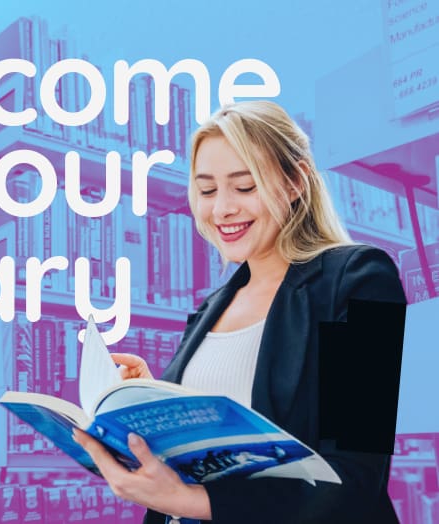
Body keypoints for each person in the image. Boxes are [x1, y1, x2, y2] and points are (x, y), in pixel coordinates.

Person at [72, 100, 406, 523]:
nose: (222, 208)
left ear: (295, 182)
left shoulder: (362, 279)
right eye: (207, 190)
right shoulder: (211, 308)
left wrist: (193, 503)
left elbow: (356, 477)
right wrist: (152, 397)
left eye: (244, 187)